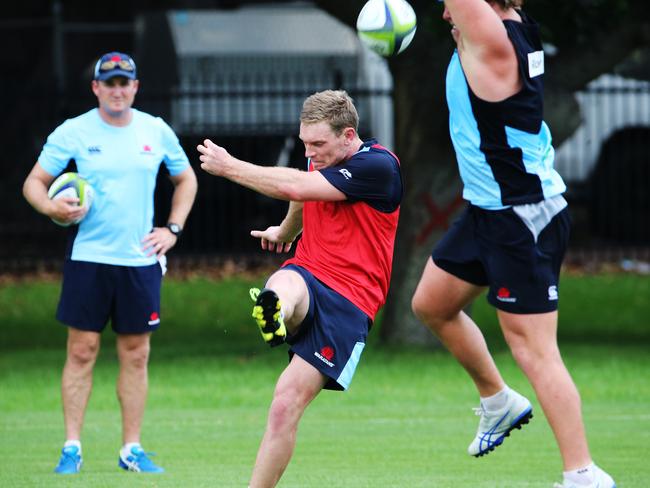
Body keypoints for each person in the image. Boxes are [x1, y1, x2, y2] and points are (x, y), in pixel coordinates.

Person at [411, 2, 615, 488]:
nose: (444, 14)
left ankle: (583, 473)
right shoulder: (507, 26)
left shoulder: (494, 39)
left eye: (449, 7)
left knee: (535, 350)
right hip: (490, 210)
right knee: (431, 305)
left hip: (522, 217)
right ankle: (499, 401)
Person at [198, 89, 403, 488]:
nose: (311, 152)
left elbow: (296, 185)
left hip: (349, 301)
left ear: (348, 135)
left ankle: (277, 307)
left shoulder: (379, 167)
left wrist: (229, 166)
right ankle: (274, 307)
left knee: (286, 406)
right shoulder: (322, 156)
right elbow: (305, 188)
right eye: (306, 143)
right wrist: (286, 231)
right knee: (287, 282)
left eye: (319, 144)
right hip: (310, 272)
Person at [22, 51, 198, 474]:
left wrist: (171, 229)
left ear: (135, 88)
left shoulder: (154, 130)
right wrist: (51, 208)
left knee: (136, 354)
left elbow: (186, 178)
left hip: (140, 261)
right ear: (96, 88)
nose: (117, 90)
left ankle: (131, 449)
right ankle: (72, 447)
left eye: (125, 83)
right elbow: (33, 182)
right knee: (81, 351)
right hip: (90, 259)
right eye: (110, 83)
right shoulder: (74, 132)